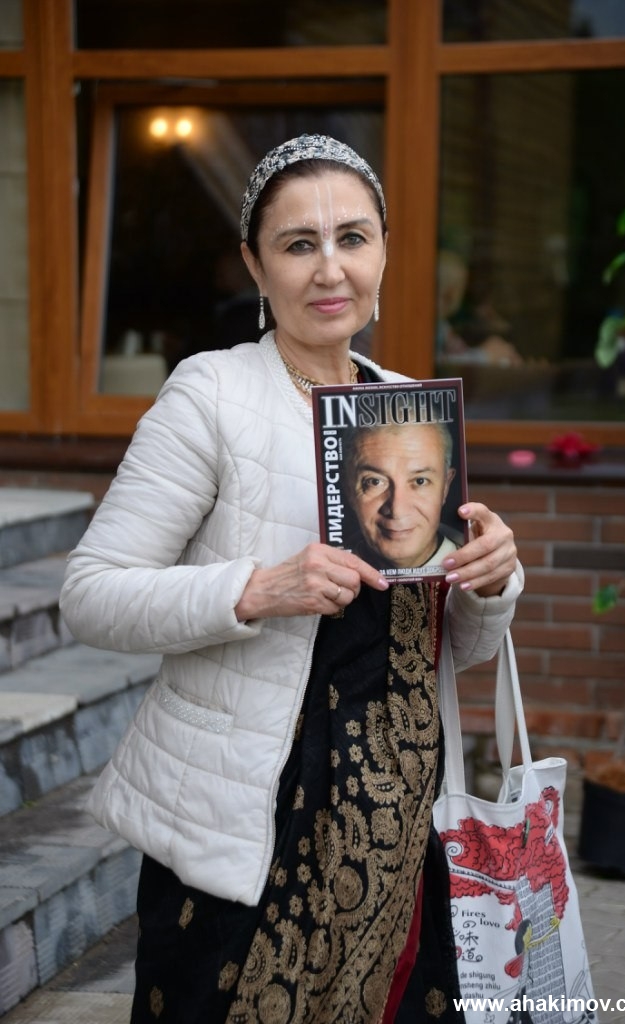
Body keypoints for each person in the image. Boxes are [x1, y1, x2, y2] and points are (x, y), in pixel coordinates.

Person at [59, 133, 523, 1024]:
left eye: (353, 238)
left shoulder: (409, 407)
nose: (330, 269)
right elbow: (92, 593)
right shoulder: (211, 394)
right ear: (255, 265)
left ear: (384, 252)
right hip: (251, 829)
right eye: (298, 243)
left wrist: (490, 580)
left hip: (396, 834)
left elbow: (445, 649)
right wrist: (253, 590)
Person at [342, 421, 464, 573]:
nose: (397, 511)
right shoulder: (326, 566)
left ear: (445, 487)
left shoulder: (478, 572)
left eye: (420, 481)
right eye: (375, 481)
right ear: (349, 489)